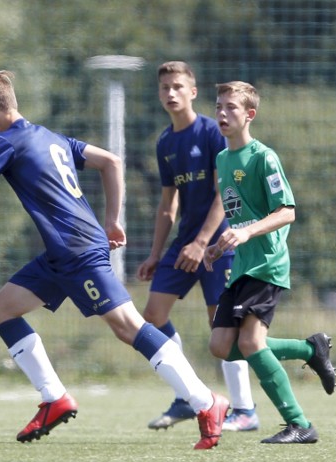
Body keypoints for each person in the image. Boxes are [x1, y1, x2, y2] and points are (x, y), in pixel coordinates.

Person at [0, 70, 229, 450]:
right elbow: (112, 162)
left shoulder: (4, 142)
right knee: (2, 310)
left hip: (77, 250)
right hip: (60, 253)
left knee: (129, 327)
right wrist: (113, 219)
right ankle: (54, 398)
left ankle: (205, 401)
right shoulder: (50, 136)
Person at [204, 81, 336, 444]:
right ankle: (310, 349)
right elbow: (237, 213)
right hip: (241, 264)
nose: (222, 114)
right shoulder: (222, 159)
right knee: (221, 346)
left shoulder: (264, 157)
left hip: (266, 262)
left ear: (250, 114)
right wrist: (219, 244)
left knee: (250, 343)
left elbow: (287, 212)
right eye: (218, 107)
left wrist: (246, 234)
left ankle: (299, 424)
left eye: (230, 107)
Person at [138, 61, 258, 432]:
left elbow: (225, 193)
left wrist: (204, 242)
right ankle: (189, 395)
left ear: (192, 91)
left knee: (220, 325)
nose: (170, 93)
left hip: (219, 242)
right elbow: (167, 205)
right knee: (153, 315)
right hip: (184, 243)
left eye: (177, 86)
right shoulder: (165, 142)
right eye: (164, 88)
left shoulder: (210, 131)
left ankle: (244, 410)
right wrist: (156, 254)